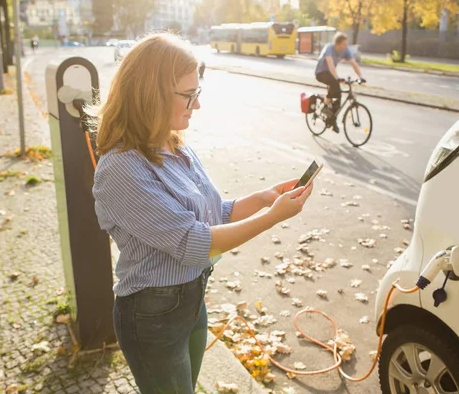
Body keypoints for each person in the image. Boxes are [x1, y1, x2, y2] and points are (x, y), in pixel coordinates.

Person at [91, 33, 314, 394]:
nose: (197, 106)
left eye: (199, 93)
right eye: (189, 95)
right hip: (152, 315)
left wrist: (263, 197)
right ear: (152, 93)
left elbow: (214, 214)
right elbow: (195, 241)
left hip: (191, 303)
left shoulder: (174, 143)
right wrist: (273, 215)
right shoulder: (121, 167)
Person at [315, 32, 365, 132]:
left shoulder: (346, 51)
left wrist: (361, 77)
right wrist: (337, 78)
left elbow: (354, 63)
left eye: (346, 44)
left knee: (338, 96)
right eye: (344, 44)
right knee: (335, 85)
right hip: (321, 73)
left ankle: (332, 119)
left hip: (331, 74)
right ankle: (324, 108)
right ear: (337, 43)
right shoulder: (329, 48)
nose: (346, 46)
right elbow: (330, 64)